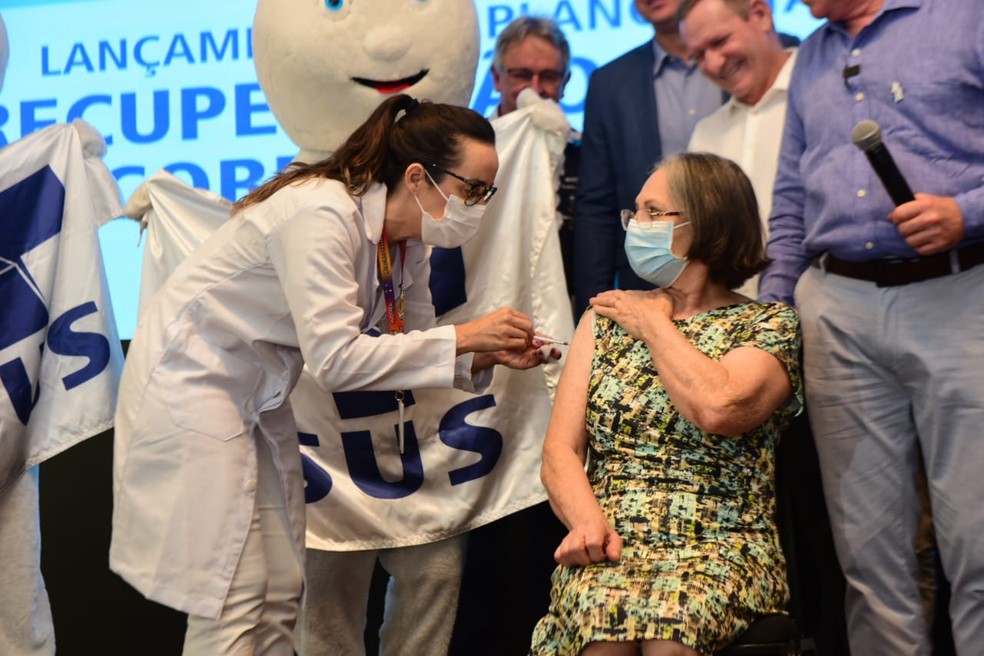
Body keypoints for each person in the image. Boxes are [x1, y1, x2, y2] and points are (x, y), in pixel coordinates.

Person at [110, 94, 558, 655]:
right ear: (418, 176)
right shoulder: (321, 213)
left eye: (487, 193)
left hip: (260, 392)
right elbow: (337, 360)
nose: (479, 205)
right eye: (473, 189)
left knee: (280, 589)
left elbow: (404, 349)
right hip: (194, 381)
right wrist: (466, 336)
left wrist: (484, 356)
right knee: (235, 593)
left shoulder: (405, 241)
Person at [758, 0, 984, 654]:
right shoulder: (813, 56)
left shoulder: (966, 15)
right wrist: (777, 313)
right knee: (867, 559)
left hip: (959, 294)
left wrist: (966, 212)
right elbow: (792, 198)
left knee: (976, 545)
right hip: (838, 310)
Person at [531, 152, 803, 655]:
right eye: (635, 212)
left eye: (654, 212)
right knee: (599, 629)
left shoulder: (769, 325)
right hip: (611, 538)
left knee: (670, 630)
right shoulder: (607, 318)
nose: (637, 225)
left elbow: (720, 408)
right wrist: (587, 523)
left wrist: (658, 323)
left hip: (723, 543)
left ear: (709, 223)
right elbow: (559, 453)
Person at [678, 3, 849, 653]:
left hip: (831, 334)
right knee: (770, 514)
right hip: (736, 358)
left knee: (834, 516)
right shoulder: (706, 135)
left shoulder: (822, 88)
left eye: (721, 42)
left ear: (759, 13)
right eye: (698, 56)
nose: (714, 64)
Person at [572, 0, 724, 316]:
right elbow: (596, 206)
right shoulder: (610, 82)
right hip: (649, 285)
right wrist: (592, 310)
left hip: (747, 268)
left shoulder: (753, 53)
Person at [489, 16, 580, 302]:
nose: (535, 89)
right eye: (521, 75)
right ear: (496, 78)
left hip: (564, 306)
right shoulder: (465, 152)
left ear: (565, 83)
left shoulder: (585, 154)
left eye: (550, 76)